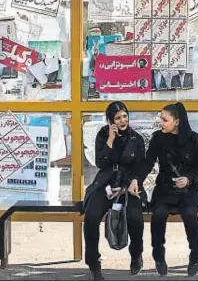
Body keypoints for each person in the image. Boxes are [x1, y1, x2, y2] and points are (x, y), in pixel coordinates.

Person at [129, 102, 198, 277]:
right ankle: (159, 257)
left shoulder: (193, 138)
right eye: (160, 119)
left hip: (188, 189)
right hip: (164, 188)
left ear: (177, 121)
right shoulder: (158, 138)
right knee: (158, 214)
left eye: (165, 119)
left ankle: (195, 255)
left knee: (189, 214)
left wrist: (188, 179)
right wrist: (136, 179)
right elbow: (148, 162)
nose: (161, 122)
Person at [80, 101, 146, 281]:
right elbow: (100, 162)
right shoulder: (103, 135)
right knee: (91, 217)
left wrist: (134, 182)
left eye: (125, 116)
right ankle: (94, 264)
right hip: (105, 183)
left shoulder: (136, 139)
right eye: (117, 118)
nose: (122, 121)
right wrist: (110, 139)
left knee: (135, 217)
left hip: (129, 184)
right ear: (110, 121)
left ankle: (136, 254)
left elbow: (142, 167)